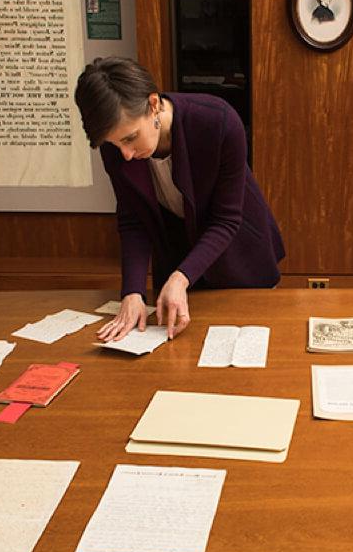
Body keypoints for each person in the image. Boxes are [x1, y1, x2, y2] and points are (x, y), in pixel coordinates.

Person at [75, 56, 284, 341]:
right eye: (115, 143)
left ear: (153, 104)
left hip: (238, 261)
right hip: (176, 270)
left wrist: (181, 276)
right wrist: (133, 291)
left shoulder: (217, 122)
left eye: (130, 139)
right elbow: (132, 219)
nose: (125, 153)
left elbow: (226, 219)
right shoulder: (115, 145)